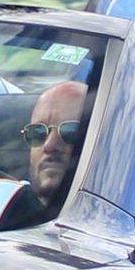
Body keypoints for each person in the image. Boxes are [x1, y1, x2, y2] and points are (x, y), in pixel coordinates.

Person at [20, 79, 89, 214]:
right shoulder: (4, 210)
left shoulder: (125, 224)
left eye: (70, 131)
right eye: (37, 132)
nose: (50, 145)